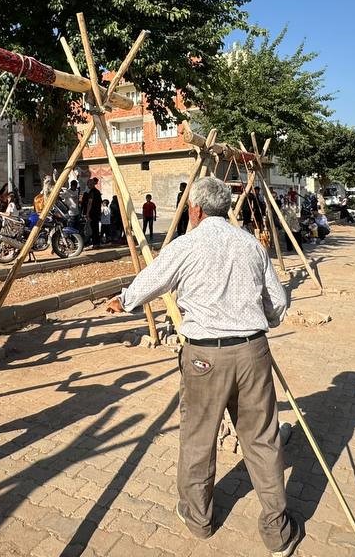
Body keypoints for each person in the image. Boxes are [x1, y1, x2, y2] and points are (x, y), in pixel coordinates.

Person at [105, 177, 300, 556]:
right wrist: (259, 323)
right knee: (262, 438)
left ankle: (199, 519)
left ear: (194, 209)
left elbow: (152, 281)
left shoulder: (186, 245)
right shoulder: (250, 244)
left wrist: (125, 300)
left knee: (198, 437)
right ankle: (277, 532)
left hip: (204, 357)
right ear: (225, 207)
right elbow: (277, 302)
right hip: (253, 351)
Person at [81, 178, 103, 247]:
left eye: (89, 184)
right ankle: (97, 243)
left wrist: (87, 213)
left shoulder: (92, 192)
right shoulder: (98, 192)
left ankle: (95, 243)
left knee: (93, 228)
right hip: (97, 212)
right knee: (96, 228)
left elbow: (90, 203)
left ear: (92, 184)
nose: (88, 185)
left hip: (92, 213)